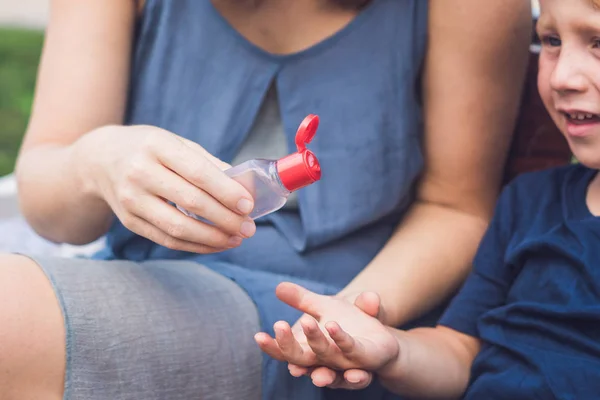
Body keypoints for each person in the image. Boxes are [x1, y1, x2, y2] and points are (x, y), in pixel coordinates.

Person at [1, 0, 531, 399]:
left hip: (315, 321)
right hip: (135, 280)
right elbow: (49, 203)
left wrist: (342, 321)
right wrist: (96, 162)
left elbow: (456, 207)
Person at [257, 0, 600, 398]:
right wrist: (393, 352)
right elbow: (459, 352)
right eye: (551, 41)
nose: (562, 77)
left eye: (598, 42)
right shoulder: (528, 203)